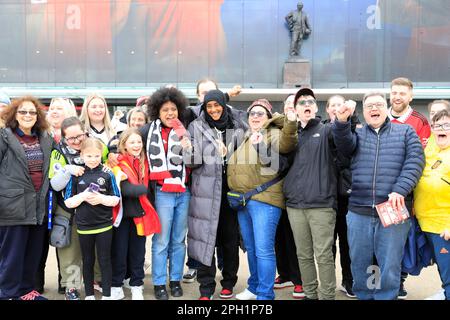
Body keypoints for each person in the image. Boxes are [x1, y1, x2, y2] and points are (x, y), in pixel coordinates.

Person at [332, 91, 425, 300]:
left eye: (378, 105)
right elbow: (343, 145)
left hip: (393, 209)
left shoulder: (406, 132)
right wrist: (341, 120)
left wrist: (400, 189)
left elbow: (415, 162)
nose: (374, 109)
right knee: (361, 262)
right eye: (369, 106)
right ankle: (365, 295)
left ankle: (387, 296)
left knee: (390, 263)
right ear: (363, 112)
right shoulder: (356, 134)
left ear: (387, 108)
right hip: (359, 210)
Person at [227, 99, 298, 300]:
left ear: (268, 117)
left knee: (263, 249)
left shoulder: (273, 134)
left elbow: (287, 143)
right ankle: (254, 286)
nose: (255, 116)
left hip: (264, 201)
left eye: (260, 113)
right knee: (251, 248)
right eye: (252, 114)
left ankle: (265, 295)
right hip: (243, 201)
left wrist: (291, 121)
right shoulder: (246, 137)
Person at [184, 89, 247, 300]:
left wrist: (228, 153)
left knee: (229, 241)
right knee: (205, 241)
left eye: (216, 105)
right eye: (209, 106)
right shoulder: (196, 126)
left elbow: (248, 156)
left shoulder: (237, 126)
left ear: (223, 104)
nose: (213, 110)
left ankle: (229, 283)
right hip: (205, 194)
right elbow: (190, 161)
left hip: (231, 193)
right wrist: (209, 151)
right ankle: (206, 288)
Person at [283, 88, 338, 300]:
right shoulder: (290, 134)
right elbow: (278, 164)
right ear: (294, 109)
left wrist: (345, 120)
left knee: (324, 255)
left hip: (321, 204)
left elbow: (343, 139)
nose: (306, 104)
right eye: (301, 102)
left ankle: (326, 296)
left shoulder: (327, 130)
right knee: (303, 254)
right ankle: (310, 293)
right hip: (295, 205)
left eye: (310, 101)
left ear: (315, 107)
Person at [139, 87, 192, 300]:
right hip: (162, 192)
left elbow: (195, 163)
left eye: (173, 109)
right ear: (157, 112)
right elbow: (126, 145)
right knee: (161, 240)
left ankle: (175, 280)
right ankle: (159, 283)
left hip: (184, 191)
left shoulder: (184, 130)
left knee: (179, 240)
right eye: (165, 110)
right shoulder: (146, 131)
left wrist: (189, 149)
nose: (170, 113)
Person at [0, 96, 54, 300]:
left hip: (38, 205)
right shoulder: (4, 136)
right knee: (12, 255)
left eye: (32, 112)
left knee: (32, 253)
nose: (28, 115)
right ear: (14, 114)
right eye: (23, 111)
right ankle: (8, 293)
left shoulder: (45, 139)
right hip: (12, 205)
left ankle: (26, 291)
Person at [388, 77, 431, 299]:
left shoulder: (419, 121)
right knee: (380, 241)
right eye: (394, 92)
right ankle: (381, 281)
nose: (397, 97)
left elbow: (419, 159)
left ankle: (399, 282)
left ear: (410, 97)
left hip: (405, 193)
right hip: (379, 192)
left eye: (402, 93)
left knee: (401, 240)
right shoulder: (378, 117)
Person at [64, 138, 120, 300]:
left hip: (104, 225)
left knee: (105, 260)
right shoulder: (77, 174)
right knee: (87, 260)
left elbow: (116, 199)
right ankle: (89, 295)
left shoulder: (108, 173)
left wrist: (101, 199)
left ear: (101, 155)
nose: (93, 159)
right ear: (82, 155)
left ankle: (108, 295)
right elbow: (68, 201)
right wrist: (82, 196)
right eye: (89, 156)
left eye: (96, 156)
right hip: (84, 226)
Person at [110, 128, 160, 300]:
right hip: (122, 216)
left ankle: (136, 284)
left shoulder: (146, 162)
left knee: (138, 253)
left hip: (140, 215)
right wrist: (142, 189)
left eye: (139, 142)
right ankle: (116, 284)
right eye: (132, 142)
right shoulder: (117, 163)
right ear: (124, 145)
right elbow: (124, 189)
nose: (136, 145)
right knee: (119, 251)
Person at [35, 97, 77, 295]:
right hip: (41, 199)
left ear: (69, 113)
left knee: (64, 240)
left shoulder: (77, 138)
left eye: (59, 108)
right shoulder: (40, 135)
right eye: (51, 108)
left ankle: (66, 283)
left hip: (65, 201)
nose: (53, 111)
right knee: (39, 244)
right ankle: (35, 283)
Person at [323, 94, 360, 298]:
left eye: (341, 104)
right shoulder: (321, 129)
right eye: (333, 105)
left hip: (347, 196)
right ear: (328, 110)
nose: (337, 108)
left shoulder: (356, 127)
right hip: (326, 194)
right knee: (328, 244)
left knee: (347, 243)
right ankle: (328, 283)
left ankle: (349, 280)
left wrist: (350, 121)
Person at [48, 117, 88, 300]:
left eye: (80, 136)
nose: (77, 141)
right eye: (71, 138)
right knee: (69, 251)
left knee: (95, 248)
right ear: (63, 138)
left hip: (94, 207)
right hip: (67, 207)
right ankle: (71, 288)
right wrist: (66, 170)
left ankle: (97, 281)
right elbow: (55, 185)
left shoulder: (95, 146)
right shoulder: (58, 153)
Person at [414, 109, 450, 301]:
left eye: (446, 125)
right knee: (442, 269)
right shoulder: (429, 150)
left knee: (449, 273)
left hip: (444, 226)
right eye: (437, 125)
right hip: (426, 223)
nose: (441, 129)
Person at [273, 94, 304, 299]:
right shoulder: (276, 129)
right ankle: (284, 273)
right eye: (288, 105)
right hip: (276, 190)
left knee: (295, 239)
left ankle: (298, 279)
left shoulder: (306, 129)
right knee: (279, 237)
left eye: (296, 104)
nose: (291, 108)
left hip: (298, 192)